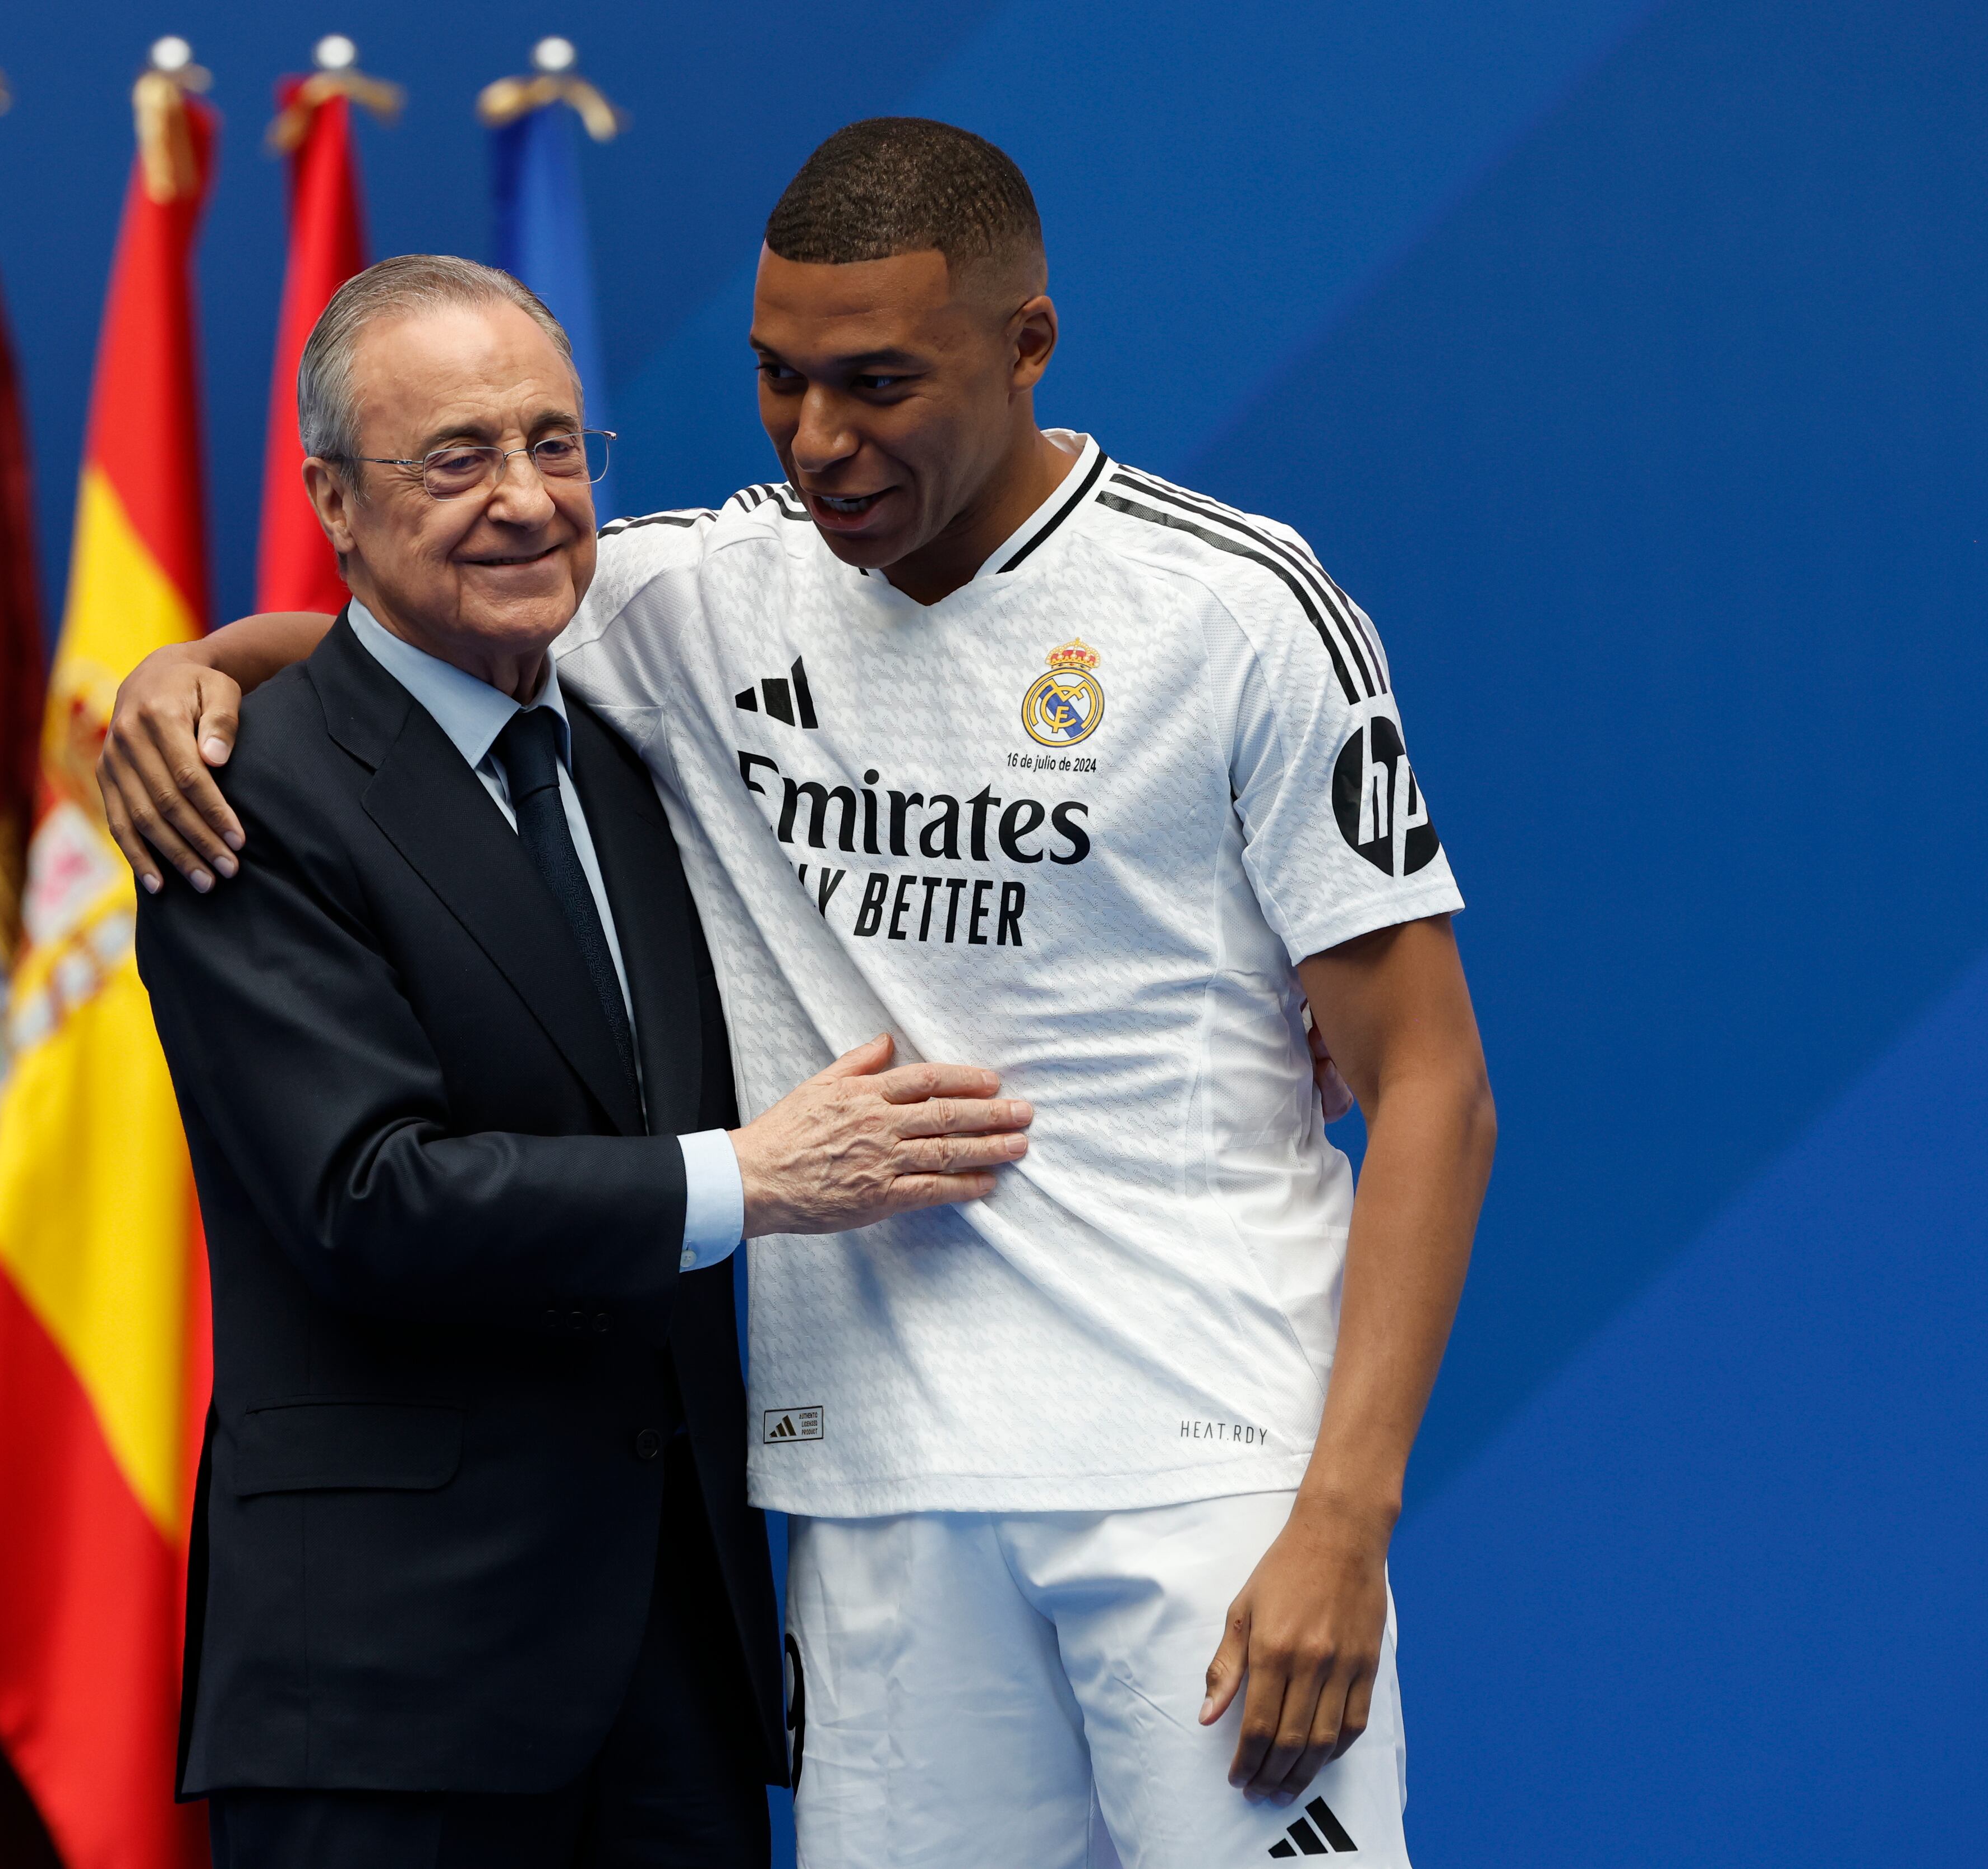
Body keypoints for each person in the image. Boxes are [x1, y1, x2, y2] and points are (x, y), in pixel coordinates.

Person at [110, 121, 1496, 1869]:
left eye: (879, 384)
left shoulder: (1232, 609)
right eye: (778, 381)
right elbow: (413, 638)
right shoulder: (701, 593)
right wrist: (188, 671)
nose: (821, 442)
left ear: (1027, 343)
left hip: (1200, 1475)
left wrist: (1344, 1519)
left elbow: (1434, 1086)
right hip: (873, 1494)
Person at [132, 253, 1035, 1869]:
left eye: (556, 445)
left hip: (678, 1678)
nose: (527, 500)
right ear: (334, 499)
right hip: (394, 1695)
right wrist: (746, 1181)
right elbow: (364, 1202)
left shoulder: (634, 754)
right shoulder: (243, 793)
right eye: (458, 457)